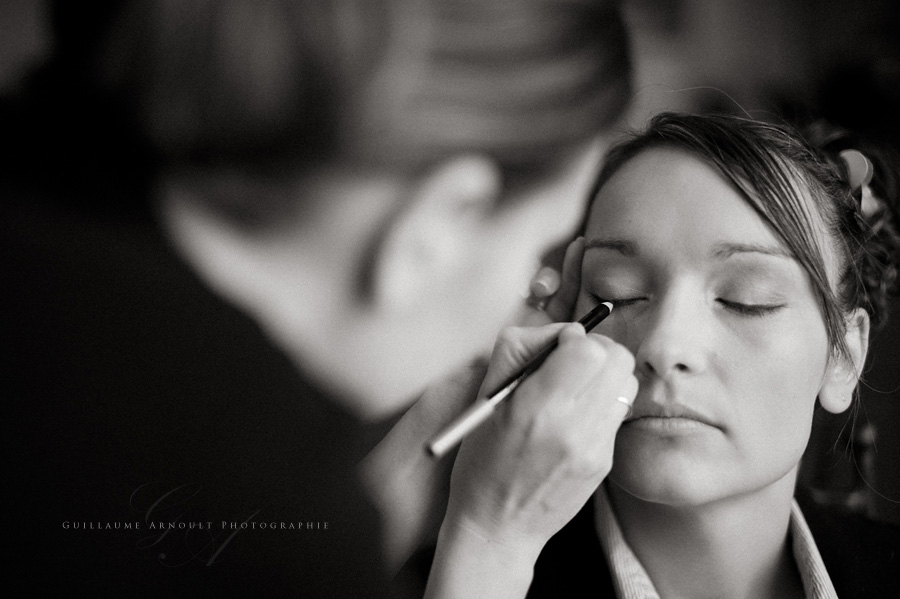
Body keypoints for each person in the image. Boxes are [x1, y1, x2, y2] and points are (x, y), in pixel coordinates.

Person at [1, 0, 636, 596]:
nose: (529, 297)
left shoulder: (43, 164)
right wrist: (493, 536)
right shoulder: (256, 514)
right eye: (539, 253)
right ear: (440, 222)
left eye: (740, 300)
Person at [519, 113, 900, 598]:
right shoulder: (468, 575)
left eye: (747, 299)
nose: (664, 347)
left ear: (843, 357)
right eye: (620, 293)